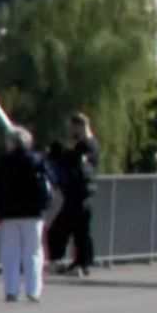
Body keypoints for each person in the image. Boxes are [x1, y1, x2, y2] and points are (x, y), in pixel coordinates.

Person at [0, 126, 53, 304]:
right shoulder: (37, 160)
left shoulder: (3, 162)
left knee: (10, 252)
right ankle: (33, 290)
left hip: (9, 214)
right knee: (33, 252)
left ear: (13, 143)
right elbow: (49, 182)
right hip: (33, 213)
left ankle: (11, 289)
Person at [44, 112, 99, 277]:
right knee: (66, 230)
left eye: (74, 127)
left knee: (78, 231)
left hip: (80, 194)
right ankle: (71, 262)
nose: (72, 131)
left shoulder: (88, 146)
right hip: (77, 195)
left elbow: (74, 161)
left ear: (80, 126)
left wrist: (59, 154)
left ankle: (81, 264)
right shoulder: (86, 145)